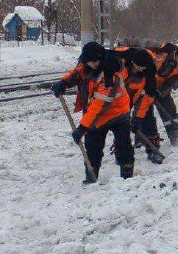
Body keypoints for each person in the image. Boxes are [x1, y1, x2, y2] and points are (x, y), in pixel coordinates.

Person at [53, 42, 134, 183]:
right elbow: (77, 72)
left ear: (101, 58)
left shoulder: (111, 74)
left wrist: (82, 128)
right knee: (92, 146)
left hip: (118, 112)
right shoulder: (86, 63)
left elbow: (98, 106)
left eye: (95, 62)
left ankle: (127, 175)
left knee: (123, 145)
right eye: (89, 62)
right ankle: (91, 175)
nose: (92, 65)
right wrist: (64, 83)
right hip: (97, 115)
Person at [114, 46, 164, 164]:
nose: (140, 70)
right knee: (121, 123)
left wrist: (137, 118)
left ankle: (152, 148)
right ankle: (121, 151)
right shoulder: (118, 63)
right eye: (138, 67)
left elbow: (147, 98)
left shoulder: (150, 73)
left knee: (148, 118)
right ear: (132, 63)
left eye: (143, 68)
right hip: (121, 94)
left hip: (139, 93)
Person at [149, 43, 178, 144]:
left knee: (170, 111)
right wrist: (149, 88)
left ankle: (175, 136)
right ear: (177, 56)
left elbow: (172, 81)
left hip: (161, 89)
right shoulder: (163, 58)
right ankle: (143, 141)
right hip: (147, 87)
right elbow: (149, 72)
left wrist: (160, 91)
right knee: (146, 114)